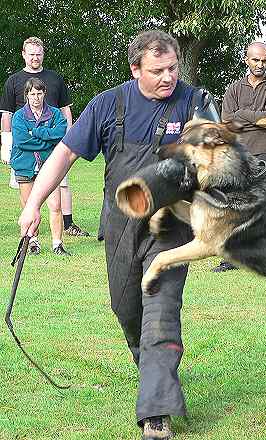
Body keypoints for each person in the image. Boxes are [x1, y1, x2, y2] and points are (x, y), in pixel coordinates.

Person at [18, 30, 220, 439]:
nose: (168, 77)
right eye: (157, 70)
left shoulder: (195, 101)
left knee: (160, 310)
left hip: (172, 225)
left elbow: (218, 153)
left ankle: (155, 414)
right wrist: (34, 202)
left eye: (173, 68)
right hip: (121, 226)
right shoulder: (109, 105)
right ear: (135, 70)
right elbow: (66, 153)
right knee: (127, 309)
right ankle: (153, 373)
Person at [1, 36, 90, 237]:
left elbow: (65, 110)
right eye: (31, 54)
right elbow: (7, 114)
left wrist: (70, 138)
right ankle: (33, 237)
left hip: (55, 148)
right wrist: (6, 144)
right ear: (24, 55)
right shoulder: (13, 81)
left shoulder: (55, 78)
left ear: (43, 54)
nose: (35, 57)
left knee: (61, 186)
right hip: (25, 148)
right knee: (27, 191)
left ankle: (68, 226)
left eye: (38, 54)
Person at [215, 41, 266, 272]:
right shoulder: (233, 89)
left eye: (264, 60)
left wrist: (242, 114)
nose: (260, 64)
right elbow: (227, 124)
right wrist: (255, 119)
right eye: (255, 60)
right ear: (246, 59)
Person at [11, 78, 69, 255]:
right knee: (29, 206)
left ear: (44, 93)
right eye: (32, 94)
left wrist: (35, 132)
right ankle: (32, 242)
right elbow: (21, 141)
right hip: (25, 165)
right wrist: (47, 142)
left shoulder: (55, 114)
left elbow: (60, 134)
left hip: (49, 165)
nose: (36, 98)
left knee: (56, 205)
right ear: (26, 95)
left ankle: (57, 244)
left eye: (39, 93)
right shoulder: (19, 116)